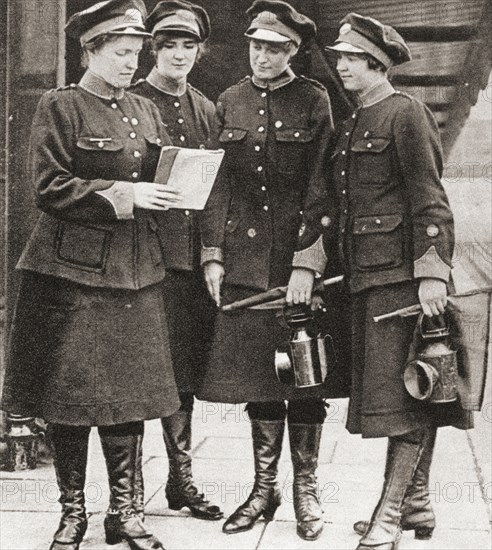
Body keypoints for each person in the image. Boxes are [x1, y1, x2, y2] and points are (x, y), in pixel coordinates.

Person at [1, 1, 184, 549]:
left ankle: (126, 513)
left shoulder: (143, 110)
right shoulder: (61, 107)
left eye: (136, 54)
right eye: (122, 53)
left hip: (135, 274)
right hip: (72, 275)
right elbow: (49, 187)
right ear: (91, 51)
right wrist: (125, 195)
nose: (132, 63)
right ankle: (72, 513)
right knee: (71, 397)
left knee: (129, 398)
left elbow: (151, 174)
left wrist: (179, 183)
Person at [326, 13, 473, 550]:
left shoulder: (405, 114)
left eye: (350, 58)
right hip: (368, 279)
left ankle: (387, 518)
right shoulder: (355, 120)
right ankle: (415, 502)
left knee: (404, 399)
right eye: (339, 57)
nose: (341, 66)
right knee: (417, 389)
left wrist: (432, 272)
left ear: (377, 62)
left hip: (402, 282)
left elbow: (429, 199)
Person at [199, 0, 336, 541]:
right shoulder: (229, 99)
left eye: (274, 49)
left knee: (303, 377)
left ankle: (305, 489)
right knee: (260, 377)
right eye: (256, 46)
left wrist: (308, 262)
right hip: (244, 264)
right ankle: (263, 490)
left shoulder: (314, 100)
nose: (262, 56)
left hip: (295, 264)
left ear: (293, 51)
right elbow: (218, 183)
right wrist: (213, 252)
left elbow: (324, 186)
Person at [130, 0, 223, 522]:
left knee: (183, 373)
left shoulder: (207, 109)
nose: (180, 55)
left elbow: (216, 190)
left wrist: (212, 255)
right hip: (140, 258)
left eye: (189, 47)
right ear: (153, 49)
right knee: (140, 376)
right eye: (170, 46)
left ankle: (180, 481)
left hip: (186, 263)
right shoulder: (132, 101)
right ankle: (130, 494)